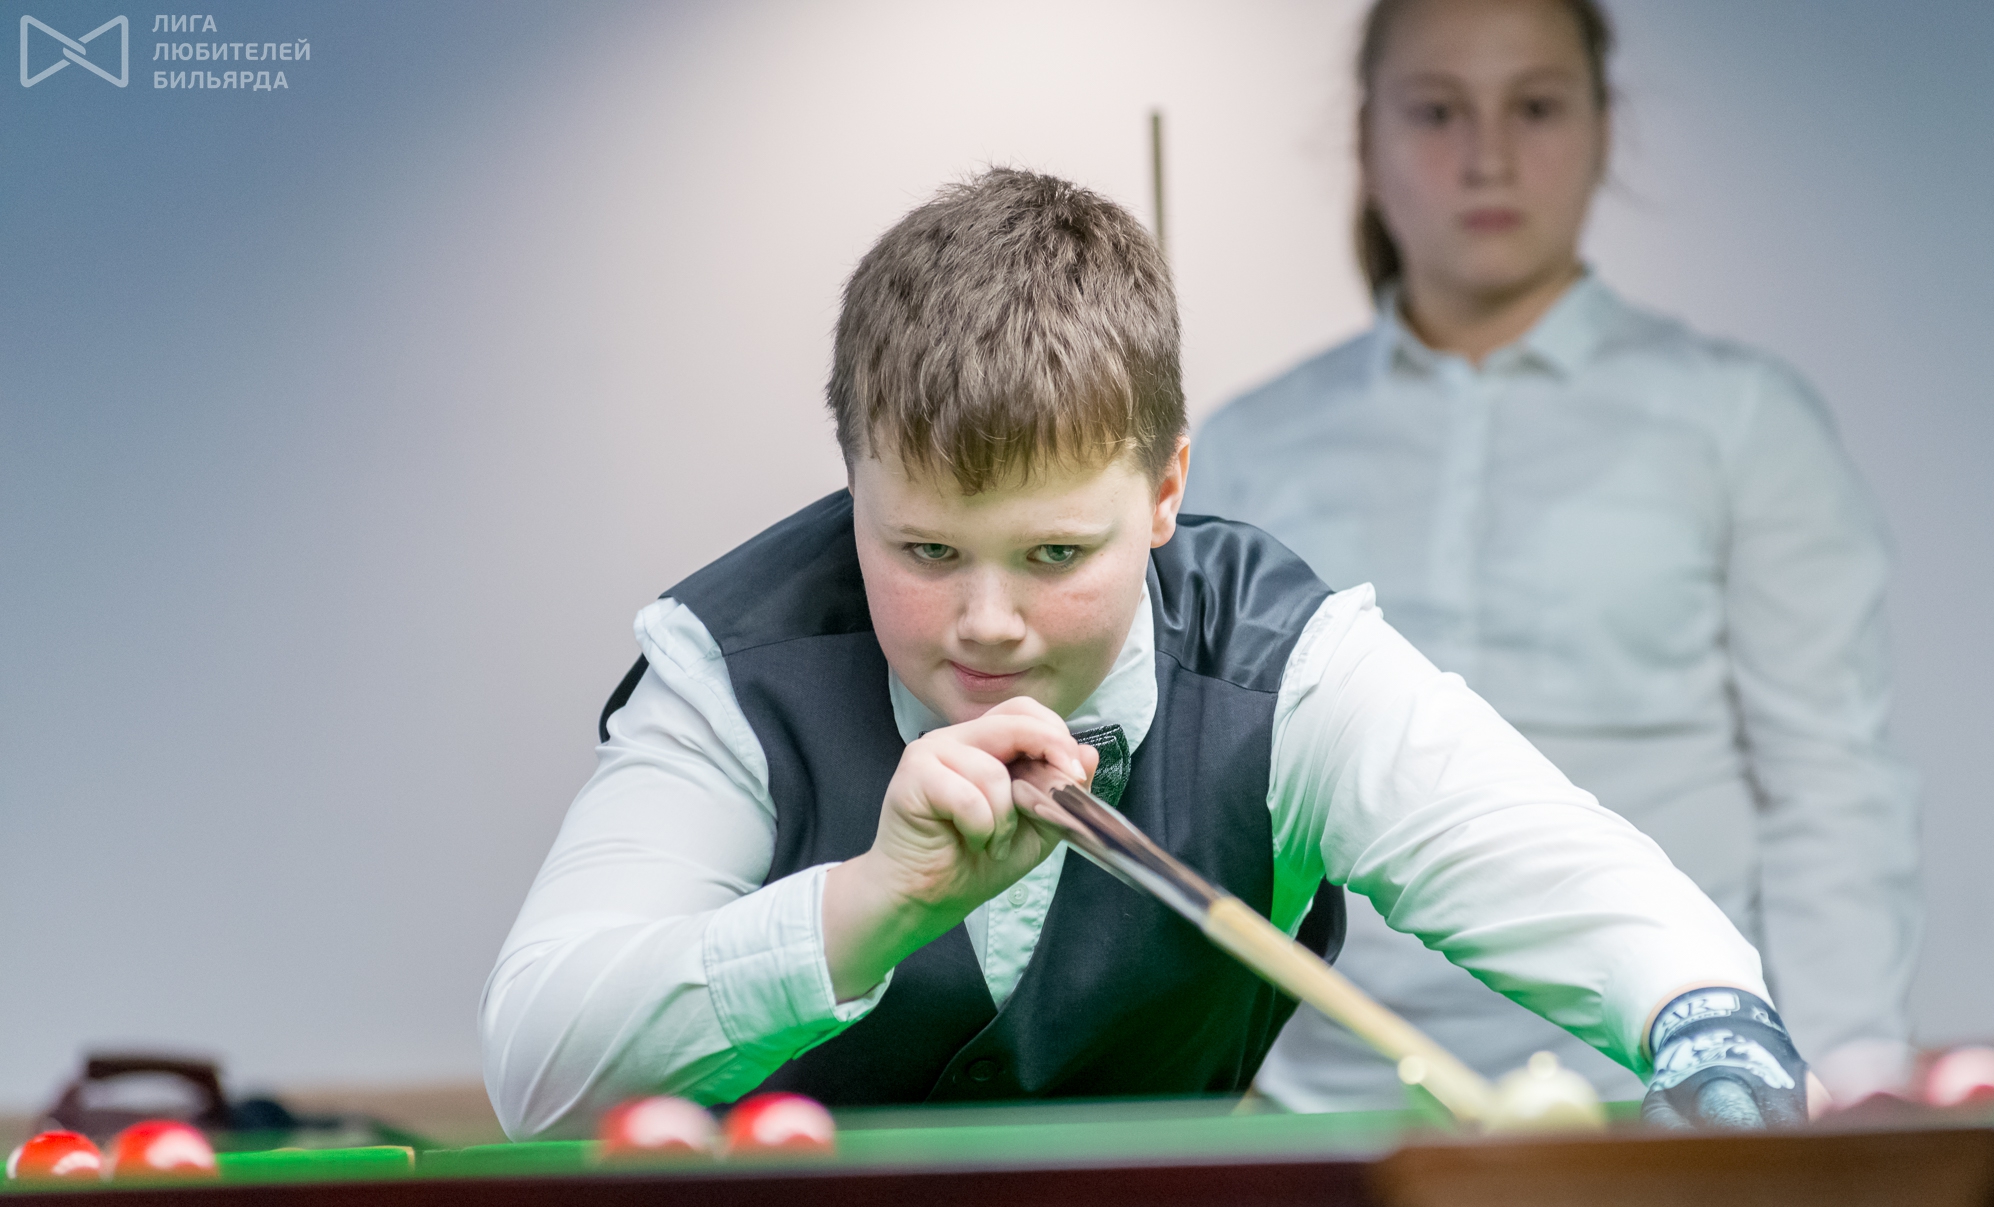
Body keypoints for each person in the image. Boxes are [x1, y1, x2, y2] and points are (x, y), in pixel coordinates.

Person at [481, 168, 1816, 1139]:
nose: (987, 620)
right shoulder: (729, 668)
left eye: (1055, 554)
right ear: (853, 484)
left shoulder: (1282, 669)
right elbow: (536, 1067)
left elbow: (1597, 902)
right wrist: (875, 903)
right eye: (926, 550)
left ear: (1167, 488)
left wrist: (1716, 1052)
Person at [1185, 0, 1920, 1111]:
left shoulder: (1741, 422)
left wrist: (1840, 1080)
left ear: (1603, 128)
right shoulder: (1247, 448)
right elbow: (1190, 794)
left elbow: (1831, 783)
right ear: (1366, 138)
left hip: (1668, 1105)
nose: (1487, 157)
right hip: (1316, 1110)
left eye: (1534, 107)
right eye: (1436, 111)